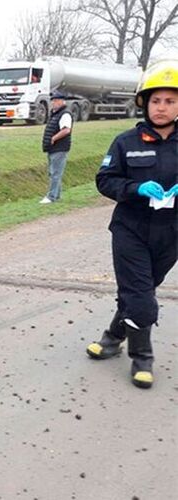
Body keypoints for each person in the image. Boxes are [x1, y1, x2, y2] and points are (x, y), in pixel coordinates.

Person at [87, 59, 177, 389]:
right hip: (131, 229)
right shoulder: (126, 142)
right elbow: (104, 180)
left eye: (170, 101)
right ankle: (143, 358)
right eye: (156, 100)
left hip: (171, 232)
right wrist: (135, 188)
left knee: (139, 291)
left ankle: (112, 337)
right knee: (141, 296)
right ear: (144, 103)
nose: (162, 108)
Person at [40, 90, 73, 204]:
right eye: (53, 100)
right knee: (53, 172)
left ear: (60, 101)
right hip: (52, 148)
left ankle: (52, 197)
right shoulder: (55, 114)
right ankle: (56, 195)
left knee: (55, 173)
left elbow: (66, 130)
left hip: (59, 147)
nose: (53, 103)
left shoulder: (65, 114)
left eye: (55, 101)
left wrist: (53, 138)